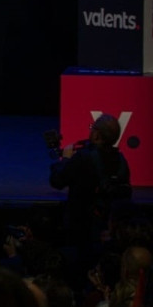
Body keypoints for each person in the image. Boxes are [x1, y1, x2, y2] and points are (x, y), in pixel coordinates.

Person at [49, 113, 132, 268]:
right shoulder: (122, 161)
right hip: (107, 227)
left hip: (80, 229)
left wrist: (65, 160)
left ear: (97, 135)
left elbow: (57, 181)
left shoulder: (83, 158)